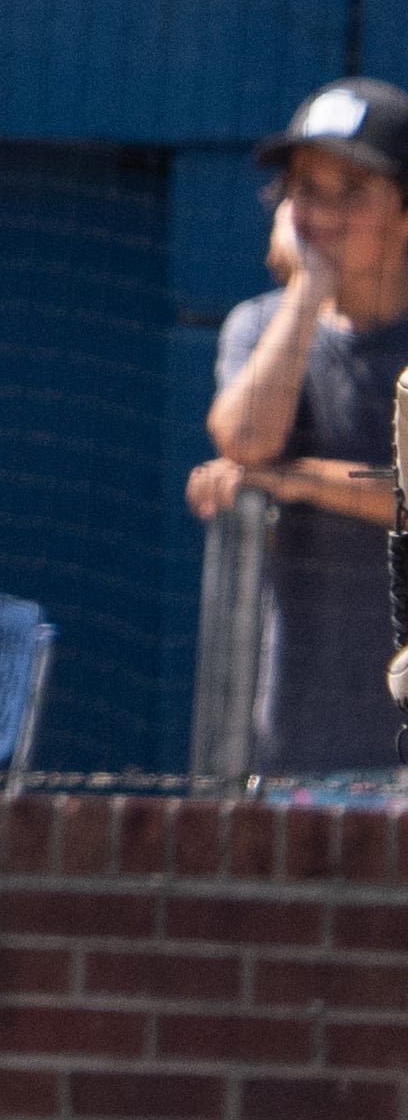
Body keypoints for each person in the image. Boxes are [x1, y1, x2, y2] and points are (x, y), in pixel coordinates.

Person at [187, 78, 408, 773]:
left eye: (352, 190)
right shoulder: (262, 323)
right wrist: (309, 288)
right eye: (305, 189)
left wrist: (296, 479)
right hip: (299, 733)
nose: (321, 214)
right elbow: (245, 440)